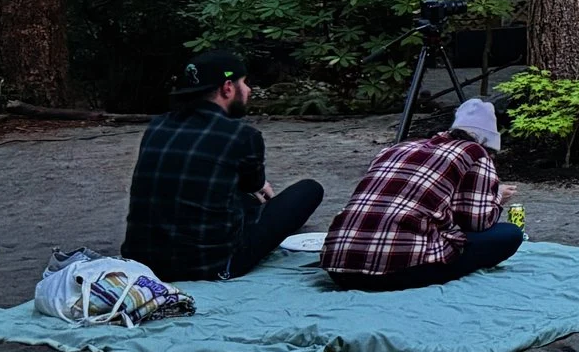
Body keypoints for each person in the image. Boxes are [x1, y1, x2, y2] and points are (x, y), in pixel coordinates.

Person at [121, 50, 326, 281]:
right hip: (212, 265)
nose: (248, 90)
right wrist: (258, 187)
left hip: (142, 263)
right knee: (308, 190)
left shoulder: (157, 126)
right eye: (244, 83)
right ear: (227, 88)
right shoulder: (242, 135)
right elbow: (254, 186)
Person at [321, 98, 523, 291]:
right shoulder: (475, 152)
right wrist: (496, 196)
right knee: (509, 234)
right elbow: (476, 222)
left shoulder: (397, 147)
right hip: (397, 268)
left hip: (337, 267)